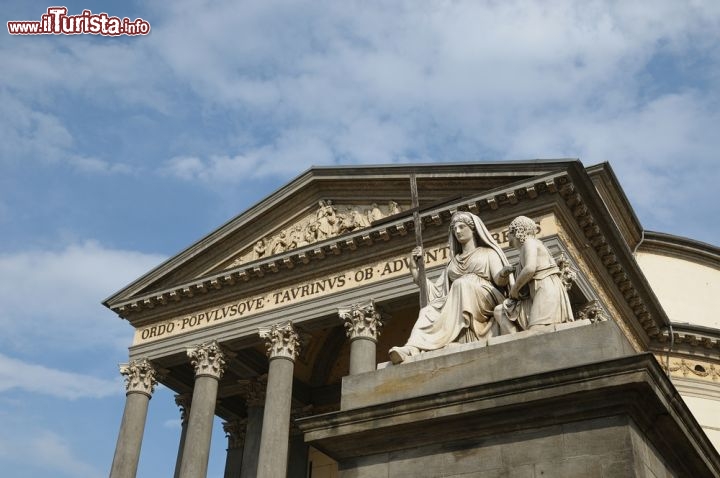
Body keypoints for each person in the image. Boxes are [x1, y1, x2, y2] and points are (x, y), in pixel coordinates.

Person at [389, 211, 511, 364]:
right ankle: (411, 348)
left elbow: (499, 281)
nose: (458, 231)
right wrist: (415, 269)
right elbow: (436, 292)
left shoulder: (488, 253)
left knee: (461, 284)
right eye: (455, 229)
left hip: (486, 298)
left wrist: (504, 273)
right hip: (458, 297)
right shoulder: (453, 263)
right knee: (428, 310)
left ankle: (454, 335)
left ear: (473, 229)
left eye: (461, 227)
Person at [494, 216, 573, 333]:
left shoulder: (529, 243)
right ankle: (518, 343)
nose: (508, 236)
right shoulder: (529, 247)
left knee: (539, 332)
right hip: (537, 292)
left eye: (509, 232)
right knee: (500, 310)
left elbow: (530, 269)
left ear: (516, 232)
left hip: (545, 289)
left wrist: (514, 290)